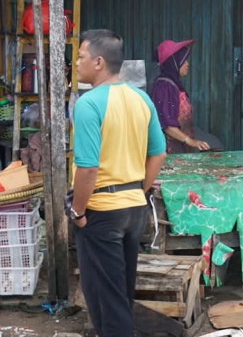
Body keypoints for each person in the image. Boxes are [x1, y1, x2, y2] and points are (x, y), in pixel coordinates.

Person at [70, 29, 167, 337]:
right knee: (121, 294)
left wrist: (78, 212)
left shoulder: (88, 105)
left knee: (106, 303)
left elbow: (86, 169)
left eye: (81, 57)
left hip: (100, 212)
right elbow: (159, 152)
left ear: (98, 62)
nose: (76, 63)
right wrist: (139, 190)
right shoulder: (141, 98)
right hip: (133, 209)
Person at [150, 39, 210, 153]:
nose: (187, 64)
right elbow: (167, 126)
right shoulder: (164, 87)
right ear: (174, 63)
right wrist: (190, 141)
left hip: (180, 148)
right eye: (184, 60)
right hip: (169, 152)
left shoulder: (173, 85)